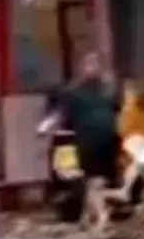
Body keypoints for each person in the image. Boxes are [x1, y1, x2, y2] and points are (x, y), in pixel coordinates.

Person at [42, 51, 122, 188]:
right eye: (89, 64)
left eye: (96, 64)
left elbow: (121, 111)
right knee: (90, 179)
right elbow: (60, 112)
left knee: (113, 179)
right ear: (82, 68)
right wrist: (46, 125)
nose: (93, 68)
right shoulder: (74, 91)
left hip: (110, 143)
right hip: (87, 143)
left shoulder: (108, 91)